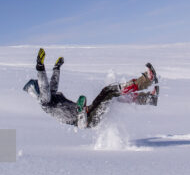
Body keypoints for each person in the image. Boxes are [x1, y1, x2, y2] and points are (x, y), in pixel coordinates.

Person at [23, 48, 159, 128]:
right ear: (37, 90)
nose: (41, 86)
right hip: (85, 119)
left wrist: (56, 68)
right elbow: (45, 87)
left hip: (87, 113)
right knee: (109, 91)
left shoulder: (49, 98)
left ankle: (148, 99)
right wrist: (40, 67)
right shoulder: (44, 102)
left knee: (113, 97)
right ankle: (147, 80)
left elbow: (52, 84)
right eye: (38, 85)